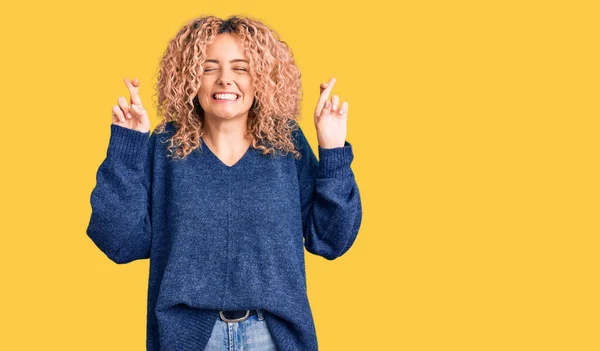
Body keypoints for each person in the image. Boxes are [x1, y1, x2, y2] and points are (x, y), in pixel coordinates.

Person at [86, 15, 362, 351]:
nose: (225, 80)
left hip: (273, 337)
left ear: (261, 78)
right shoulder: (164, 146)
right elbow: (120, 242)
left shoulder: (287, 145)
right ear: (189, 78)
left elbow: (331, 240)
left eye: (241, 67)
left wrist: (332, 151)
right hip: (186, 339)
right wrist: (127, 146)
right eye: (208, 67)